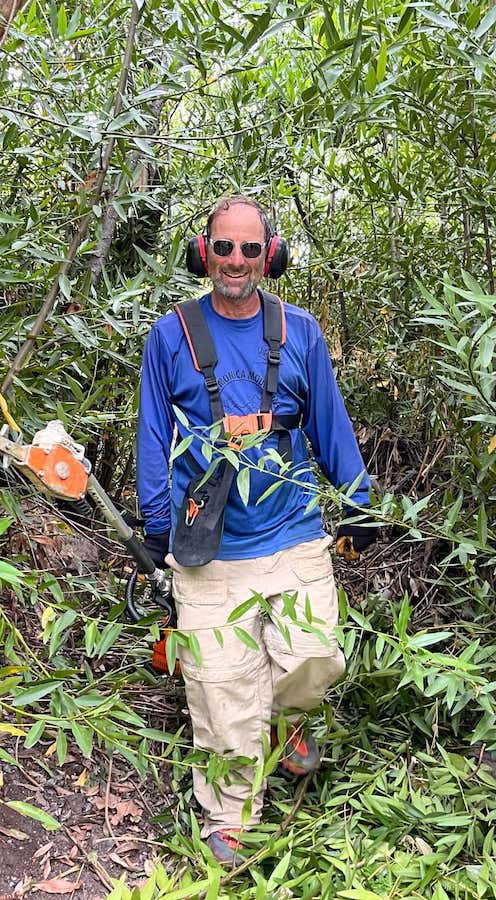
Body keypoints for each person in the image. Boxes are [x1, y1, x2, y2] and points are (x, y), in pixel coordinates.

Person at [135, 195, 376, 865]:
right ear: (203, 252)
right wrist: (157, 527)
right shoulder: (170, 336)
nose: (234, 261)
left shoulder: (299, 331)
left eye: (248, 248)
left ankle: (289, 725)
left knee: (316, 656)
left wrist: (360, 505)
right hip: (207, 546)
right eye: (222, 248)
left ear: (270, 255)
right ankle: (229, 814)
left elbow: (330, 420)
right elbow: (154, 437)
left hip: (292, 531)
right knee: (222, 690)